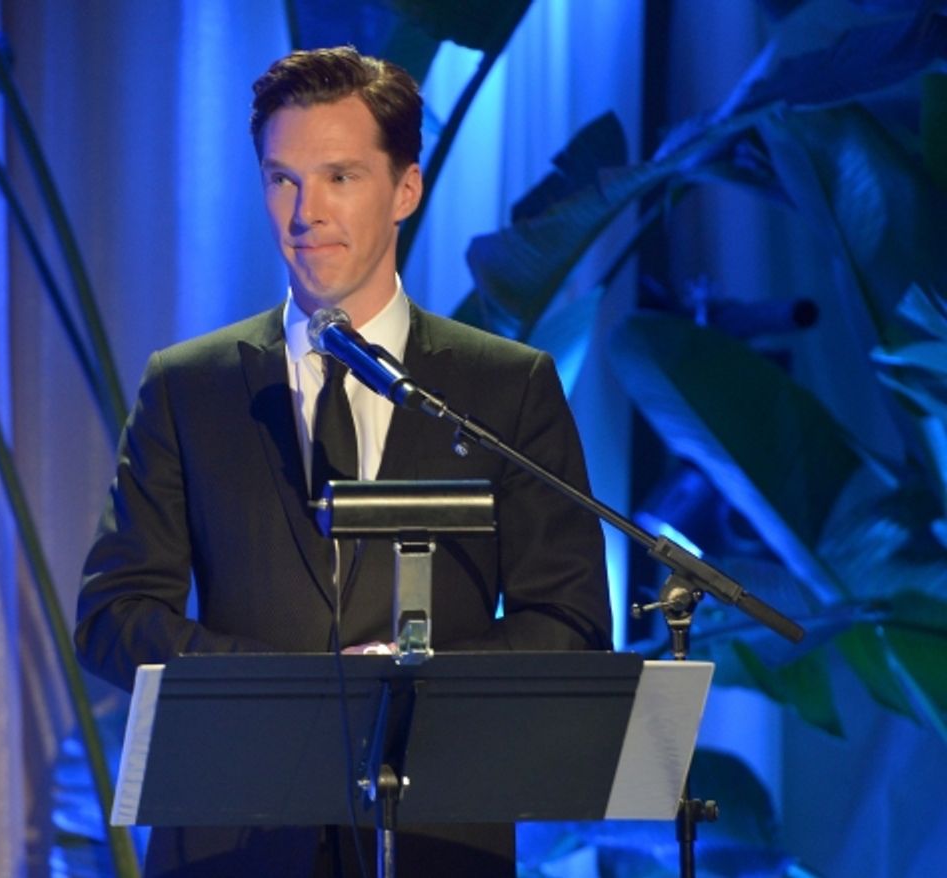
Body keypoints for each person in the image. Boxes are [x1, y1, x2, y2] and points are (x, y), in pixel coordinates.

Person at [75, 45, 612, 878]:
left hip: (437, 836)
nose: (305, 212)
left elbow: (570, 621)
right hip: (232, 839)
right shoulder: (188, 386)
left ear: (405, 190)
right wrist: (295, 691)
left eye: (339, 177)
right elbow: (112, 613)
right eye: (281, 179)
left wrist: (409, 688)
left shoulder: (506, 388)